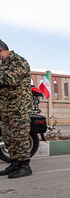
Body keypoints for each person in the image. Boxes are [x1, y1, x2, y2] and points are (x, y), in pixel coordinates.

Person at [0, 39, 34, 178]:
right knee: (9, 137)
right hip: (6, 108)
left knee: (20, 137)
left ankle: (25, 166)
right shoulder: (4, 64)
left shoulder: (18, 61)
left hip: (19, 107)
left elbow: (10, 79)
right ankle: (15, 164)